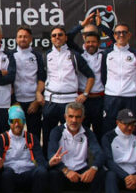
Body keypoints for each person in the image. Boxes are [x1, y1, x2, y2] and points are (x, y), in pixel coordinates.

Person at [47, 102, 105, 193]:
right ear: (65, 117)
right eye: (71, 116)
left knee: (101, 172)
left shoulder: (88, 133)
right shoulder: (56, 131)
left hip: (81, 172)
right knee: (52, 174)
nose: (74, 120)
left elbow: (100, 154)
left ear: (83, 118)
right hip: (64, 172)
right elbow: (51, 154)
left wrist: (93, 169)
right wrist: (65, 170)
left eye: (78, 117)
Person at [40, 25, 95, 153]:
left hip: (70, 102)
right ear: (51, 39)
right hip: (51, 101)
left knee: (72, 136)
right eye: (54, 35)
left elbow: (90, 76)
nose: (57, 37)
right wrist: (38, 92)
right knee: (48, 136)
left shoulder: (74, 55)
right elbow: (42, 78)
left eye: (60, 35)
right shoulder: (45, 56)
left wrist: (85, 94)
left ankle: (73, 162)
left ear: (65, 38)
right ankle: (48, 165)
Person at [0, 105, 46, 193]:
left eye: (20, 121)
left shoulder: (31, 138)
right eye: (13, 121)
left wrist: (48, 164)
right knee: (5, 173)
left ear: (24, 121)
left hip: (27, 173)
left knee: (42, 172)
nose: (17, 124)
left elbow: (40, 160)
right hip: (10, 174)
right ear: (9, 122)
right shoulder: (2, 138)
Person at [66, 13, 108, 136]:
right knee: (82, 133)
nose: (90, 44)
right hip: (83, 100)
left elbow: (116, 39)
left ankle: (98, 155)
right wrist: (82, 25)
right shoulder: (79, 54)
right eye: (88, 42)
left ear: (99, 43)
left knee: (100, 132)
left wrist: (101, 27)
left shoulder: (104, 55)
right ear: (84, 42)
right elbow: (67, 38)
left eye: (94, 42)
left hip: (99, 100)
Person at [101, 23, 136, 132]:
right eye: (118, 33)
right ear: (114, 35)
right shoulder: (107, 54)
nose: (121, 35)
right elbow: (103, 76)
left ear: (129, 35)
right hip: (111, 97)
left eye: (124, 32)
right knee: (108, 128)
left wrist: (132, 90)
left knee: (131, 129)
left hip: (130, 98)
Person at [11, 26, 46, 141]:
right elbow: (9, 81)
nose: (22, 39)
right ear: (16, 39)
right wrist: (14, 102)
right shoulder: (10, 56)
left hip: (33, 103)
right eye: (20, 37)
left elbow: (42, 78)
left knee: (34, 136)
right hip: (16, 103)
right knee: (15, 135)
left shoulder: (37, 55)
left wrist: (36, 101)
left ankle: (35, 158)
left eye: (25, 37)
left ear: (31, 39)